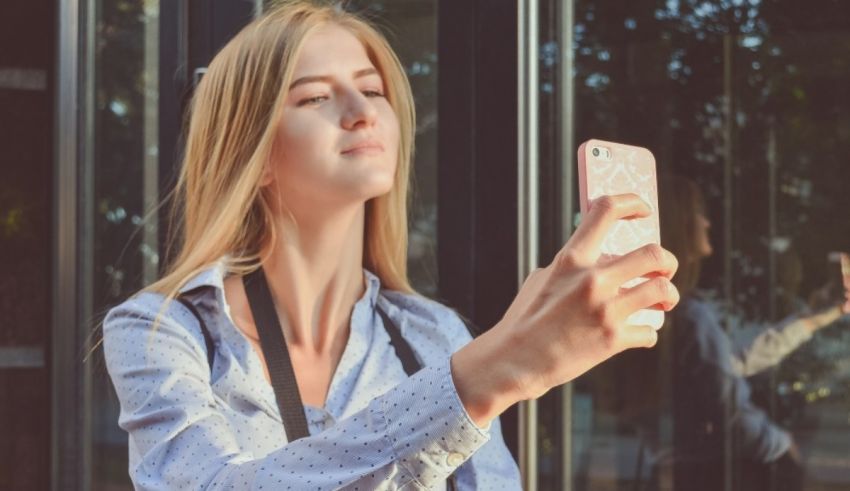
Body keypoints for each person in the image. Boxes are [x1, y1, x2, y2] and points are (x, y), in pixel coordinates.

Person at [101, 1, 680, 489]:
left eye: (372, 90)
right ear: (250, 154)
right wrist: (490, 372)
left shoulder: (434, 335)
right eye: (313, 98)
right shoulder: (162, 330)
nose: (360, 114)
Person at [657, 174, 850, 491]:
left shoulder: (668, 315)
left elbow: (732, 364)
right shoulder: (689, 317)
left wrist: (813, 319)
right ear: (680, 224)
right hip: (713, 473)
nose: (707, 223)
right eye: (698, 213)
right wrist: (780, 445)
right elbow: (729, 414)